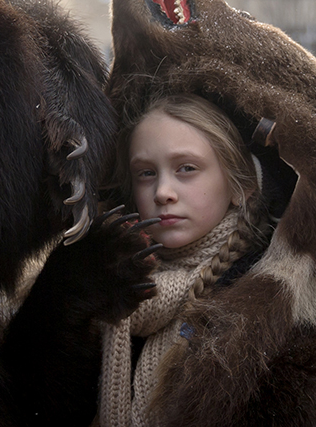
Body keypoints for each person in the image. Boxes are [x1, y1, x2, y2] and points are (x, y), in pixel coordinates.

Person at [95, 93, 270, 427]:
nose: (162, 192)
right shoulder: (103, 286)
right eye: (146, 173)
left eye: (186, 169)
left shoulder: (266, 292)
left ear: (241, 185)